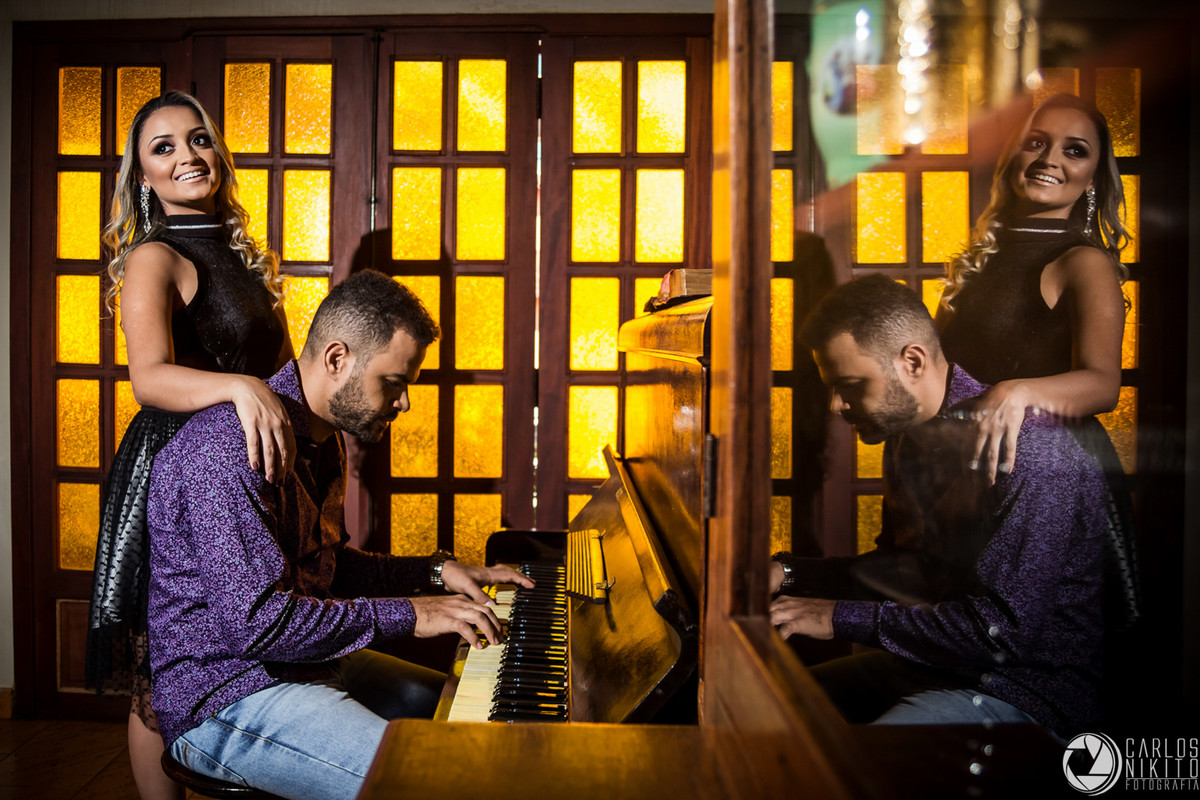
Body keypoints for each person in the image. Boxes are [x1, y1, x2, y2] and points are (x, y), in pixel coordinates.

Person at [146, 270, 532, 800]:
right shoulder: (228, 449)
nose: (404, 403)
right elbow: (257, 625)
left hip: (307, 664)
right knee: (438, 782)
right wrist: (414, 613)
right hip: (227, 693)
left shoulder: (323, 438)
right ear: (336, 359)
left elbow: (328, 566)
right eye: (393, 383)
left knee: (480, 727)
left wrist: (435, 572)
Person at [769, 274, 1106, 738]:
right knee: (768, 709)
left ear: (912, 361)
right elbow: (901, 569)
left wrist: (835, 616)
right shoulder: (903, 436)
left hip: (1022, 691)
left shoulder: (1032, 450)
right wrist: (789, 573)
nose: (836, 406)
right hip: (932, 667)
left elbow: (1000, 632)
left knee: (862, 764)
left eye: (850, 385)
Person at [85, 91, 295, 800]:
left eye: (198, 139)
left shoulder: (237, 252)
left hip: (237, 469)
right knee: (160, 668)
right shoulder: (155, 255)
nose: (187, 156)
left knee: (236, 641)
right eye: (164, 147)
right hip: (171, 472)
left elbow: (277, 377)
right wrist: (240, 386)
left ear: (219, 153)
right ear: (143, 176)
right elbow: (148, 379)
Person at [935, 93, 1139, 630]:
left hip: (1049, 478)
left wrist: (1017, 391)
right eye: (1037, 143)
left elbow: (1104, 384)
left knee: (1027, 640)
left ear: (1092, 178)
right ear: (1014, 156)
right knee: (948, 629)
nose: (1050, 159)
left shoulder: (1083, 262)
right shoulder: (977, 260)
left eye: (1075, 150)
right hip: (972, 466)